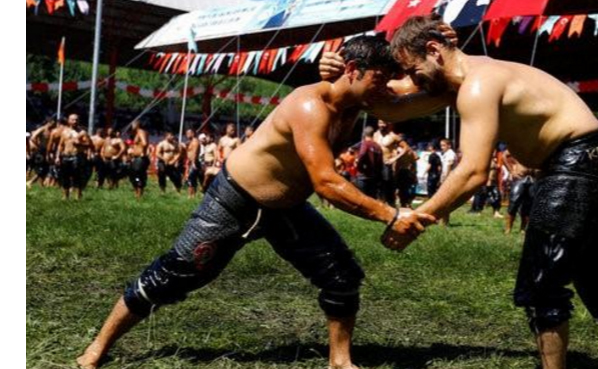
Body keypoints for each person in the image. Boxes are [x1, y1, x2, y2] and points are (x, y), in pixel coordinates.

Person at [76, 36, 435, 369]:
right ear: (354, 71)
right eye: (381, 78)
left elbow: (418, 92)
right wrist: (390, 214)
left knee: (341, 275)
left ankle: (340, 361)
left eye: (389, 78)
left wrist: (449, 64)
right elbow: (326, 183)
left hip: (288, 209)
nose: (387, 86)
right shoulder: (311, 104)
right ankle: (97, 347)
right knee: (175, 275)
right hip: (235, 200)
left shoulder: (360, 102)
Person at [372, 15, 598, 369]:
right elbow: (390, 105)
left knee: (542, 284)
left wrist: (417, 218)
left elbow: (473, 172)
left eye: (411, 69)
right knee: (594, 269)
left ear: (434, 50)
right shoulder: (474, 76)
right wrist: (340, 76)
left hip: (576, 163)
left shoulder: (478, 85)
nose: (410, 79)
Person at [55, 114, 91, 200]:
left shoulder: (82, 132)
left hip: (77, 156)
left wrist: (80, 143)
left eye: (76, 120)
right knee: (65, 176)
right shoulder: (64, 132)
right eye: (73, 120)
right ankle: (65, 195)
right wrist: (57, 156)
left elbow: (89, 144)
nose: (75, 121)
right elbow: (60, 145)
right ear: (68, 120)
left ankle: (78, 195)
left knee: (77, 176)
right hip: (65, 156)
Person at [503, 150, 534, 235]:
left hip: (532, 178)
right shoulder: (520, 144)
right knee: (514, 203)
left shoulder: (536, 145)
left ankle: (523, 229)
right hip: (519, 177)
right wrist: (511, 171)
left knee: (528, 205)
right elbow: (504, 155)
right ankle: (508, 229)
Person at [374, 120, 402, 205]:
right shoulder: (375, 134)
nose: (381, 125)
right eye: (380, 123)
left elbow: (405, 149)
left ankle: (390, 204)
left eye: (383, 123)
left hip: (386, 163)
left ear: (388, 124)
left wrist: (394, 159)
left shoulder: (393, 136)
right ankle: (379, 203)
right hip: (376, 164)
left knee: (387, 184)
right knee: (378, 185)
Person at [355, 127, 383, 199]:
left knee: (362, 198)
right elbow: (380, 163)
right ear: (373, 134)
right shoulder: (378, 146)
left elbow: (362, 154)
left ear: (364, 134)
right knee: (371, 199)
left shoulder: (365, 144)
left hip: (363, 175)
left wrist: (359, 165)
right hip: (374, 176)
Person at [127, 120, 150, 199]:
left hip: (141, 158)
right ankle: (136, 191)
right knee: (132, 175)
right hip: (135, 158)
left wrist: (142, 152)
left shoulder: (140, 132)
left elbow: (144, 143)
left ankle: (139, 193)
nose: (131, 126)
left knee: (138, 175)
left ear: (137, 125)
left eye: (132, 125)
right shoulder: (135, 134)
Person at [394, 136, 419, 208]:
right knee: (406, 189)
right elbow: (414, 163)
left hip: (400, 171)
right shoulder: (410, 151)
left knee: (401, 189)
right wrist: (414, 173)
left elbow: (397, 163)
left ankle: (403, 203)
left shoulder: (398, 151)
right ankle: (406, 203)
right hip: (408, 171)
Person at [184, 129, 202, 199]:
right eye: (186, 133)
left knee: (191, 179)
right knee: (191, 179)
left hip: (194, 162)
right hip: (190, 162)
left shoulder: (195, 142)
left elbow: (195, 153)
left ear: (193, 133)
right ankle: (192, 195)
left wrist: (193, 163)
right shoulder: (190, 142)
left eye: (189, 133)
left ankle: (191, 195)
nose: (187, 135)